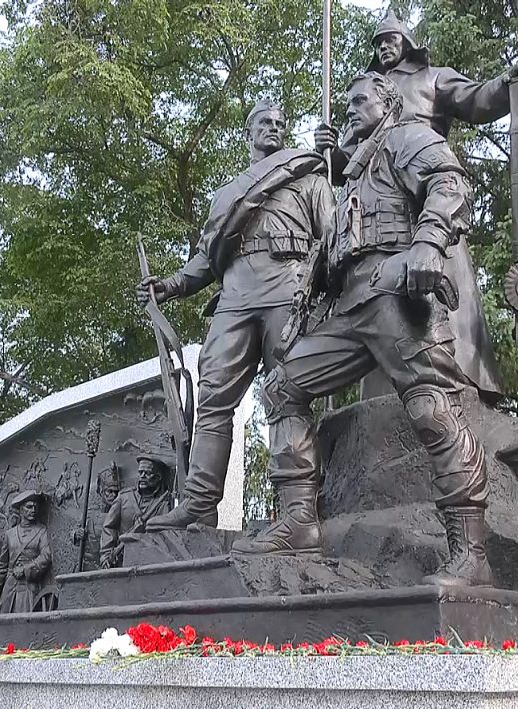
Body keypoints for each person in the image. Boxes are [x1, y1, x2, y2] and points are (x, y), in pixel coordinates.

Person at [237, 73, 494, 588]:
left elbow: (450, 182)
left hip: (395, 294)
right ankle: (298, 521)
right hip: (350, 307)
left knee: (432, 408)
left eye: (360, 101)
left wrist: (429, 243)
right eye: (348, 102)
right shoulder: (353, 175)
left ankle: (471, 552)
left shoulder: (404, 137)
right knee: (282, 385)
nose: (350, 109)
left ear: (388, 103)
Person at [314, 12, 518, 401]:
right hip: (378, 206)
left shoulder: (433, 78)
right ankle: (386, 393)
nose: (384, 46)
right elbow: (346, 163)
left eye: (390, 39)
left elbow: (476, 100)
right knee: (376, 301)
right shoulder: (365, 96)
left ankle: (461, 379)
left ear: (406, 42)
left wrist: (507, 83)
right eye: (378, 42)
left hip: (426, 189)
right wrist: (329, 151)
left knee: (441, 279)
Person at [138, 101, 335, 532]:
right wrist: (172, 284)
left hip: (288, 289)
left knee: (288, 393)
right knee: (213, 397)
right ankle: (199, 503)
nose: (274, 128)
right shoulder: (227, 194)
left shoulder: (310, 176)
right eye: (265, 122)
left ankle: (297, 511)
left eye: (281, 124)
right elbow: (208, 257)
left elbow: (334, 240)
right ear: (248, 133)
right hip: (235, 295)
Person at [0, 490, 58, 613]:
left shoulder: (41, 531)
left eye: (35, 507)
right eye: (29, 507)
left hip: (29, 588)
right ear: (20, 510)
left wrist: (25, 569)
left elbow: (46, 556)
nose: (33, 510)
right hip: (9, 588)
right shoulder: (10, 535)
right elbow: (1, 566)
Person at [101, 455, 174, 567]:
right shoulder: (124, 497)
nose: (142, 476)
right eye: (140, 472)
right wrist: (106, 554)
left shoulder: (165, 503)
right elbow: (109, 527)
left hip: (150, 562)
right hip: (122, 561)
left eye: (147, 473)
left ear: (158, 477)